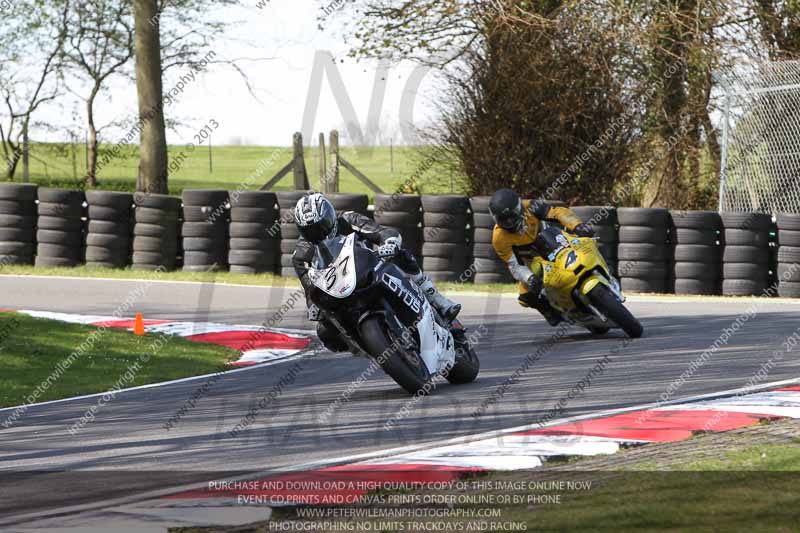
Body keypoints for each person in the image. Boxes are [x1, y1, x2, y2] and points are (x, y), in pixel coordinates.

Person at [292, 193, 461, 352]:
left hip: (366, 269)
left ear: (330, 217)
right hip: (338, 289)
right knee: (324, 330)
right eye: (310, 231)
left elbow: (380, 232)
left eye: (321, 226)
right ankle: (363, 347)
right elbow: (310, 289)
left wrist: (389, 242)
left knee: (399, 253)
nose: (318, 233)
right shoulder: (301, 255)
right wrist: (314, 307)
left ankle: (436, 299)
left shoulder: (348, 219)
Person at [489, 188, 594, 326]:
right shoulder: (498, 238)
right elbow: (513, 264)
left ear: (519, 208)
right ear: (495, 218)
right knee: (525, 297)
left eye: (511, 216)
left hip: (557, 242)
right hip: (533, 261)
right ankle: (549, 311)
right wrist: (529, 277)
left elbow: (557, 212)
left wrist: (577, 225)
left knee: (587, 243)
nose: (509, 222)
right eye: (503, 219)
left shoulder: (532, 206)